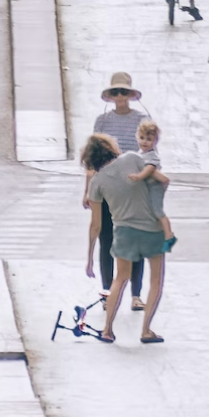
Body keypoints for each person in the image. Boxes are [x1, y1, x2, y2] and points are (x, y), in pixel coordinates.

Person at [84, 133, 166, 343]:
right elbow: (159, 181)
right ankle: (146, 330)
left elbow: (96, 225)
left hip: (123, 232)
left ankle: (107, 329)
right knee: (156, 279)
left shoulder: (97, 181)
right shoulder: (132, 158)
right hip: (150, 228)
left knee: (119, 279)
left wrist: (89, 257)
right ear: (111, 147)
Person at [83, 73, 148, 310]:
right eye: (116, 93)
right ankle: (108, 292)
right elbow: (92, 158)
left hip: (133, 186)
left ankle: (135, 294)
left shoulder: (142, 119)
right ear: (111, 97)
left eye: (124, 92)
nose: (120, 97)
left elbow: (148, 153)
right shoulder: (102, 121)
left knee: (135, 240)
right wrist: (87, 189)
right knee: (106, 238)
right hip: (106, 185)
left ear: (130, 95)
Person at [128, 119, 175, 250]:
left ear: (155, 141)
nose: (144, 141)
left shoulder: (152, 155)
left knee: (157, 211)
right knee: (149, 212)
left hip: (155, 187)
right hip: (148, 187)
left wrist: (138, 176)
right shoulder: (140, 153)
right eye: (142, 137)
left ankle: (169, 236)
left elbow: (150, 169)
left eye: (149, 139)